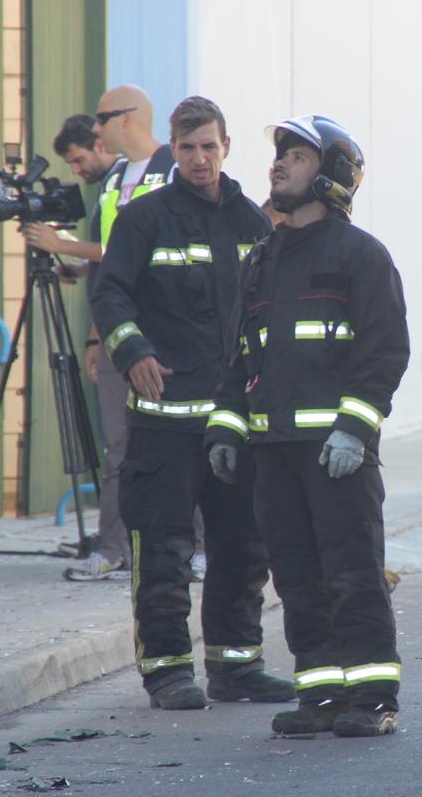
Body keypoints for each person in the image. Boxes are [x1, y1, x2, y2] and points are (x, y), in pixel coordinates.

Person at [205, 115, 410, 737]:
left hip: (336, 453)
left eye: (296, 156)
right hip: (275, 453)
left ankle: (372, 698)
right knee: (296, 575)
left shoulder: (361, 256)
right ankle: (320, 693)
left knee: (350, 571)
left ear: (331, 177)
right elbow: (242, 356)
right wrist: (225, 427)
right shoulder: (264, 258)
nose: (279, 164)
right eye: (281, 155)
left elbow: (384, 353)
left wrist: (355, 427)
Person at [92, 96, 293, 710]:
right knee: (163, 548)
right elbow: (110, 295)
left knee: (242, 547)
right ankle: (168, 671)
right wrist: (133, 354)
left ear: (226, 147)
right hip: (165, 426)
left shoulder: (253, 224)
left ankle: (236, 667)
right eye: (188, 149)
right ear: (172, 151)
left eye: (209, 146)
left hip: (234, 424)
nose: (200, 158)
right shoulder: (144, 218)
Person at [17, 113, 128, 580]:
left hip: (130, 335)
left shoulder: (126, 181)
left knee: (122, 448)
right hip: (112, 331)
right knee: (119, 447)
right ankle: (118, 543)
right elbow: (106, 261)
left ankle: (115, 547)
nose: (77, 170)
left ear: (99, 146)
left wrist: (61, 243)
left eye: (80, 159)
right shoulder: (108, 185)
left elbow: (119, 249)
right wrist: (76, 267)